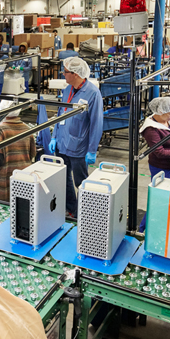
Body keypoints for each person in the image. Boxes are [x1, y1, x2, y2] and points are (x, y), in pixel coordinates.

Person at [47, 56, 103, 218]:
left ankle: (83, 213)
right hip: (62, 143)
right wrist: (54, 136)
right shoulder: (67, 90)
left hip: (79, 147)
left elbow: (97, 123)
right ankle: (71, 208)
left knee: (81, 182)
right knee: (64, 179)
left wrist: (92, 150)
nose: (63, 74)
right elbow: (60, 114)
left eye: (65, 72)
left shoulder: (93, 94)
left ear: (76, 74)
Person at [0, 101, 36, 201]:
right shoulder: (26, 128)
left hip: (4, 179)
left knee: (3, 206)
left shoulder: (0, 129)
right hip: (23, 177)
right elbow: (33, 153)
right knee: (18, 205)